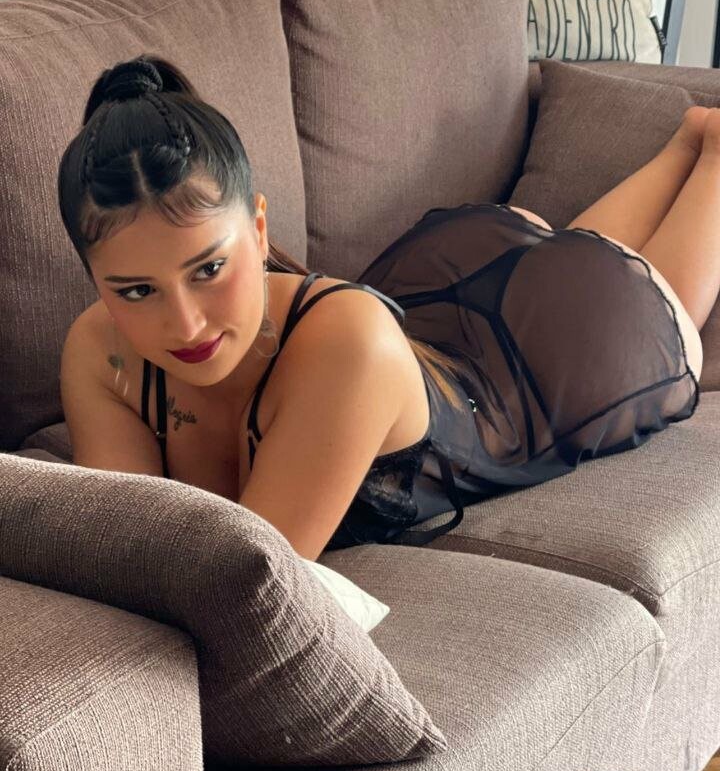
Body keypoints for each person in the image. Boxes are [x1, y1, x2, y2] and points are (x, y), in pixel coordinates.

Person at [58, 54, 711, 556]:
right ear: (95, 281)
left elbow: (244, 579)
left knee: (626, 286)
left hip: (557, 356)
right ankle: (687, 139)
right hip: (446, 288)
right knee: (576, 259)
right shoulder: (99, 352)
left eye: (208, 268)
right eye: (136, 291)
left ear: (258, 231)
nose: (185, 324)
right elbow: (129, 554)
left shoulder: (347, 348)